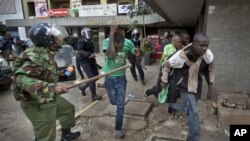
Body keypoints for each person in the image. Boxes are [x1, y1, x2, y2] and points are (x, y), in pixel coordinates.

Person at [12, 23, 81, 141]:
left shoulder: (47, 53)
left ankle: (66, 135)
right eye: (56, 36)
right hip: (35, 102)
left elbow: (42, 72)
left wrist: (61, 73)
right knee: (46, 136)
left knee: (67, 110)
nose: (60, 38)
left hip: (47, 96)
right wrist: (52, 88)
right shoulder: (35, 55)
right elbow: (20, 79)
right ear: (47, 39)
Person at [160, 33, 216, 141]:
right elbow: (166, 66)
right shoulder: (180, 56)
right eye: (201, 45)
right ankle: (193, 138)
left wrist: (211, 86)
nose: (205, 48)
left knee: (190, 108)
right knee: (194, 111)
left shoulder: (208, 54)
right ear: (193, 44)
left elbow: (211, 69)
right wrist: (164, 79)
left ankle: (172, 105)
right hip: (183, 84)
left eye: (206, 45)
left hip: (196, 84)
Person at [102, 26, 135, 138]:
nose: (119, 49)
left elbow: (136, 55)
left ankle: (118, 128)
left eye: (121, 47)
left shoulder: (128, 43)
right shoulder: (107, 42)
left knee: (120, 105)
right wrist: (111, 34)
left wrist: (139, 54)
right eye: (117, 47)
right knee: (113, 101)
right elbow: (111, 56)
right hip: (109, 77)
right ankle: (110, 95)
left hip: (121, 78)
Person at [144, 34, 182, 99]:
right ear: (173, 41)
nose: (180, 44)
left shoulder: (180, 49)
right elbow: (165, 59)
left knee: (170, 88)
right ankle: (147, 92)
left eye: (180, 42)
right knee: (159, 88)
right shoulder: (168, 47)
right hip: (164, 70)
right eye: (178, 42)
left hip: (173, 73)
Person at [77, 27, 102, 101]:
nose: (89, 35)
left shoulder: (90, 41)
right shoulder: (80, 41)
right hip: (85, 62)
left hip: (92, 61)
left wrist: (93, 56)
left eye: (90, 33)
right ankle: (94, 95)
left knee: (96, 77)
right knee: (91, 77)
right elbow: (80, 51)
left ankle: (83, 87)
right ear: (83, 34)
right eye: (87, 33)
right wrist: (88, 54)